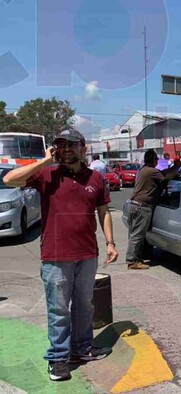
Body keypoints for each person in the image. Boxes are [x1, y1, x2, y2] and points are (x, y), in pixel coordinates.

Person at [2, 128, 118, 381]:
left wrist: (110, 242)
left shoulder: (95, 179)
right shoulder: (46, 174)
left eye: (71, 144)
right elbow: (10, 179)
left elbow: (104, 212)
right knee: (59, 310)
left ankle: (83, 348)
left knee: (84, 306)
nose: (66, 149)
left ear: (83, 149)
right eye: (61, 145)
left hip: (87, 254)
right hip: (56, 256)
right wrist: (44, 160)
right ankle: (58, 359)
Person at [126, 149, 181, 270]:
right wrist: (177, 166)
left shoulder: (144, 169)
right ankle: (131, 261)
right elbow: (167, 176)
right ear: (152, 160)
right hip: (142, 207)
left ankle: (136, 258)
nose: (157, 161)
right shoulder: (151, 171)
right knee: (137, 235)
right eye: (156, 159)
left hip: (135, 205)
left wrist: (174, 167)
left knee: (135, 234)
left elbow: (163, 173)